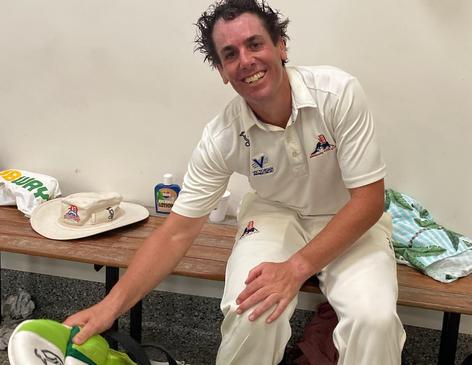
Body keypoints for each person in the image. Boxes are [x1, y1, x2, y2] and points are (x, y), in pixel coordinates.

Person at [64, 0, 406, 364]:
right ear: (222, 71)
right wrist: (109, 307)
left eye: (255, 44)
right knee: (252, 313)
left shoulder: (337, 93)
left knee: (374, 320)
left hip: (348, 215)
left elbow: (369, 201)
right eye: (230, 54)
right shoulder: (222, 135)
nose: (246, 61)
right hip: (276, 215)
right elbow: (176, 233)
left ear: (281, 45)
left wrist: (294, 270)